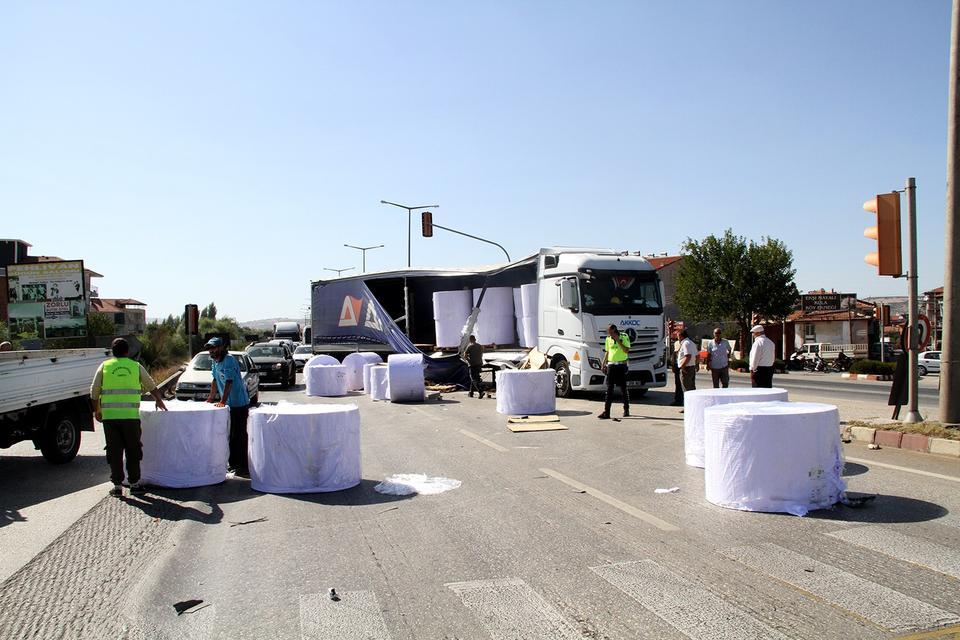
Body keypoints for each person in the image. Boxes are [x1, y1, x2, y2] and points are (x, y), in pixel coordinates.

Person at [90, 338, 167, 497]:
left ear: (113, 352)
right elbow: (151, 384)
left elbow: (94, 392)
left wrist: (96, 411)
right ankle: (134, 484)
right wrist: (159, 400)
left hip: (110, 418)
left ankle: (118, 486)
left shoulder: (104, 366)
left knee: (114, 451)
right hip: (130, 418)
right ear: (127, 352)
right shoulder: (135, 366)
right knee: (133, 450)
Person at [205, 337, 251, 476]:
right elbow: (214, 379)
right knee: (229, 434)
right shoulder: (215, 362)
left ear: (221, 348)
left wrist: (223, 401)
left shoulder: (229, 360)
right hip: (229, 405)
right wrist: (211, 397)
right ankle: (233, 462)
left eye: (213, 348)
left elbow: (229, 382)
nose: (211, 351)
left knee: (239, 434)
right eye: (209, 349)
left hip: (238, 403)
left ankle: (242, 464)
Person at [598, 324, 630, 419]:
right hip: (611, 365)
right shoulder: (608, 339)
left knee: (623, 388)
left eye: (610, 332)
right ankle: (607, 412)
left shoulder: (624, 336)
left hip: (621, 365)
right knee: (609, 389)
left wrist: (618, 340)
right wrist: (603, 363)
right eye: (608, 332)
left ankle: (626, 409)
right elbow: (607, 352)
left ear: (614, 330)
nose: (609, 334)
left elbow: (626, 350)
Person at [677, 330, 698, 398]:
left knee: (687, 390)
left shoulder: (685, 343)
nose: (677, 338)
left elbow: (688, 356)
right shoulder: (692, 343)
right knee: (691, 388)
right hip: (691, 367)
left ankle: (688, 406)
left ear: (681, 336)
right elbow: (697, 356)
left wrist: (683, 366)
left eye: (678, 336)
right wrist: (695, 364)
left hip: (686, 368)